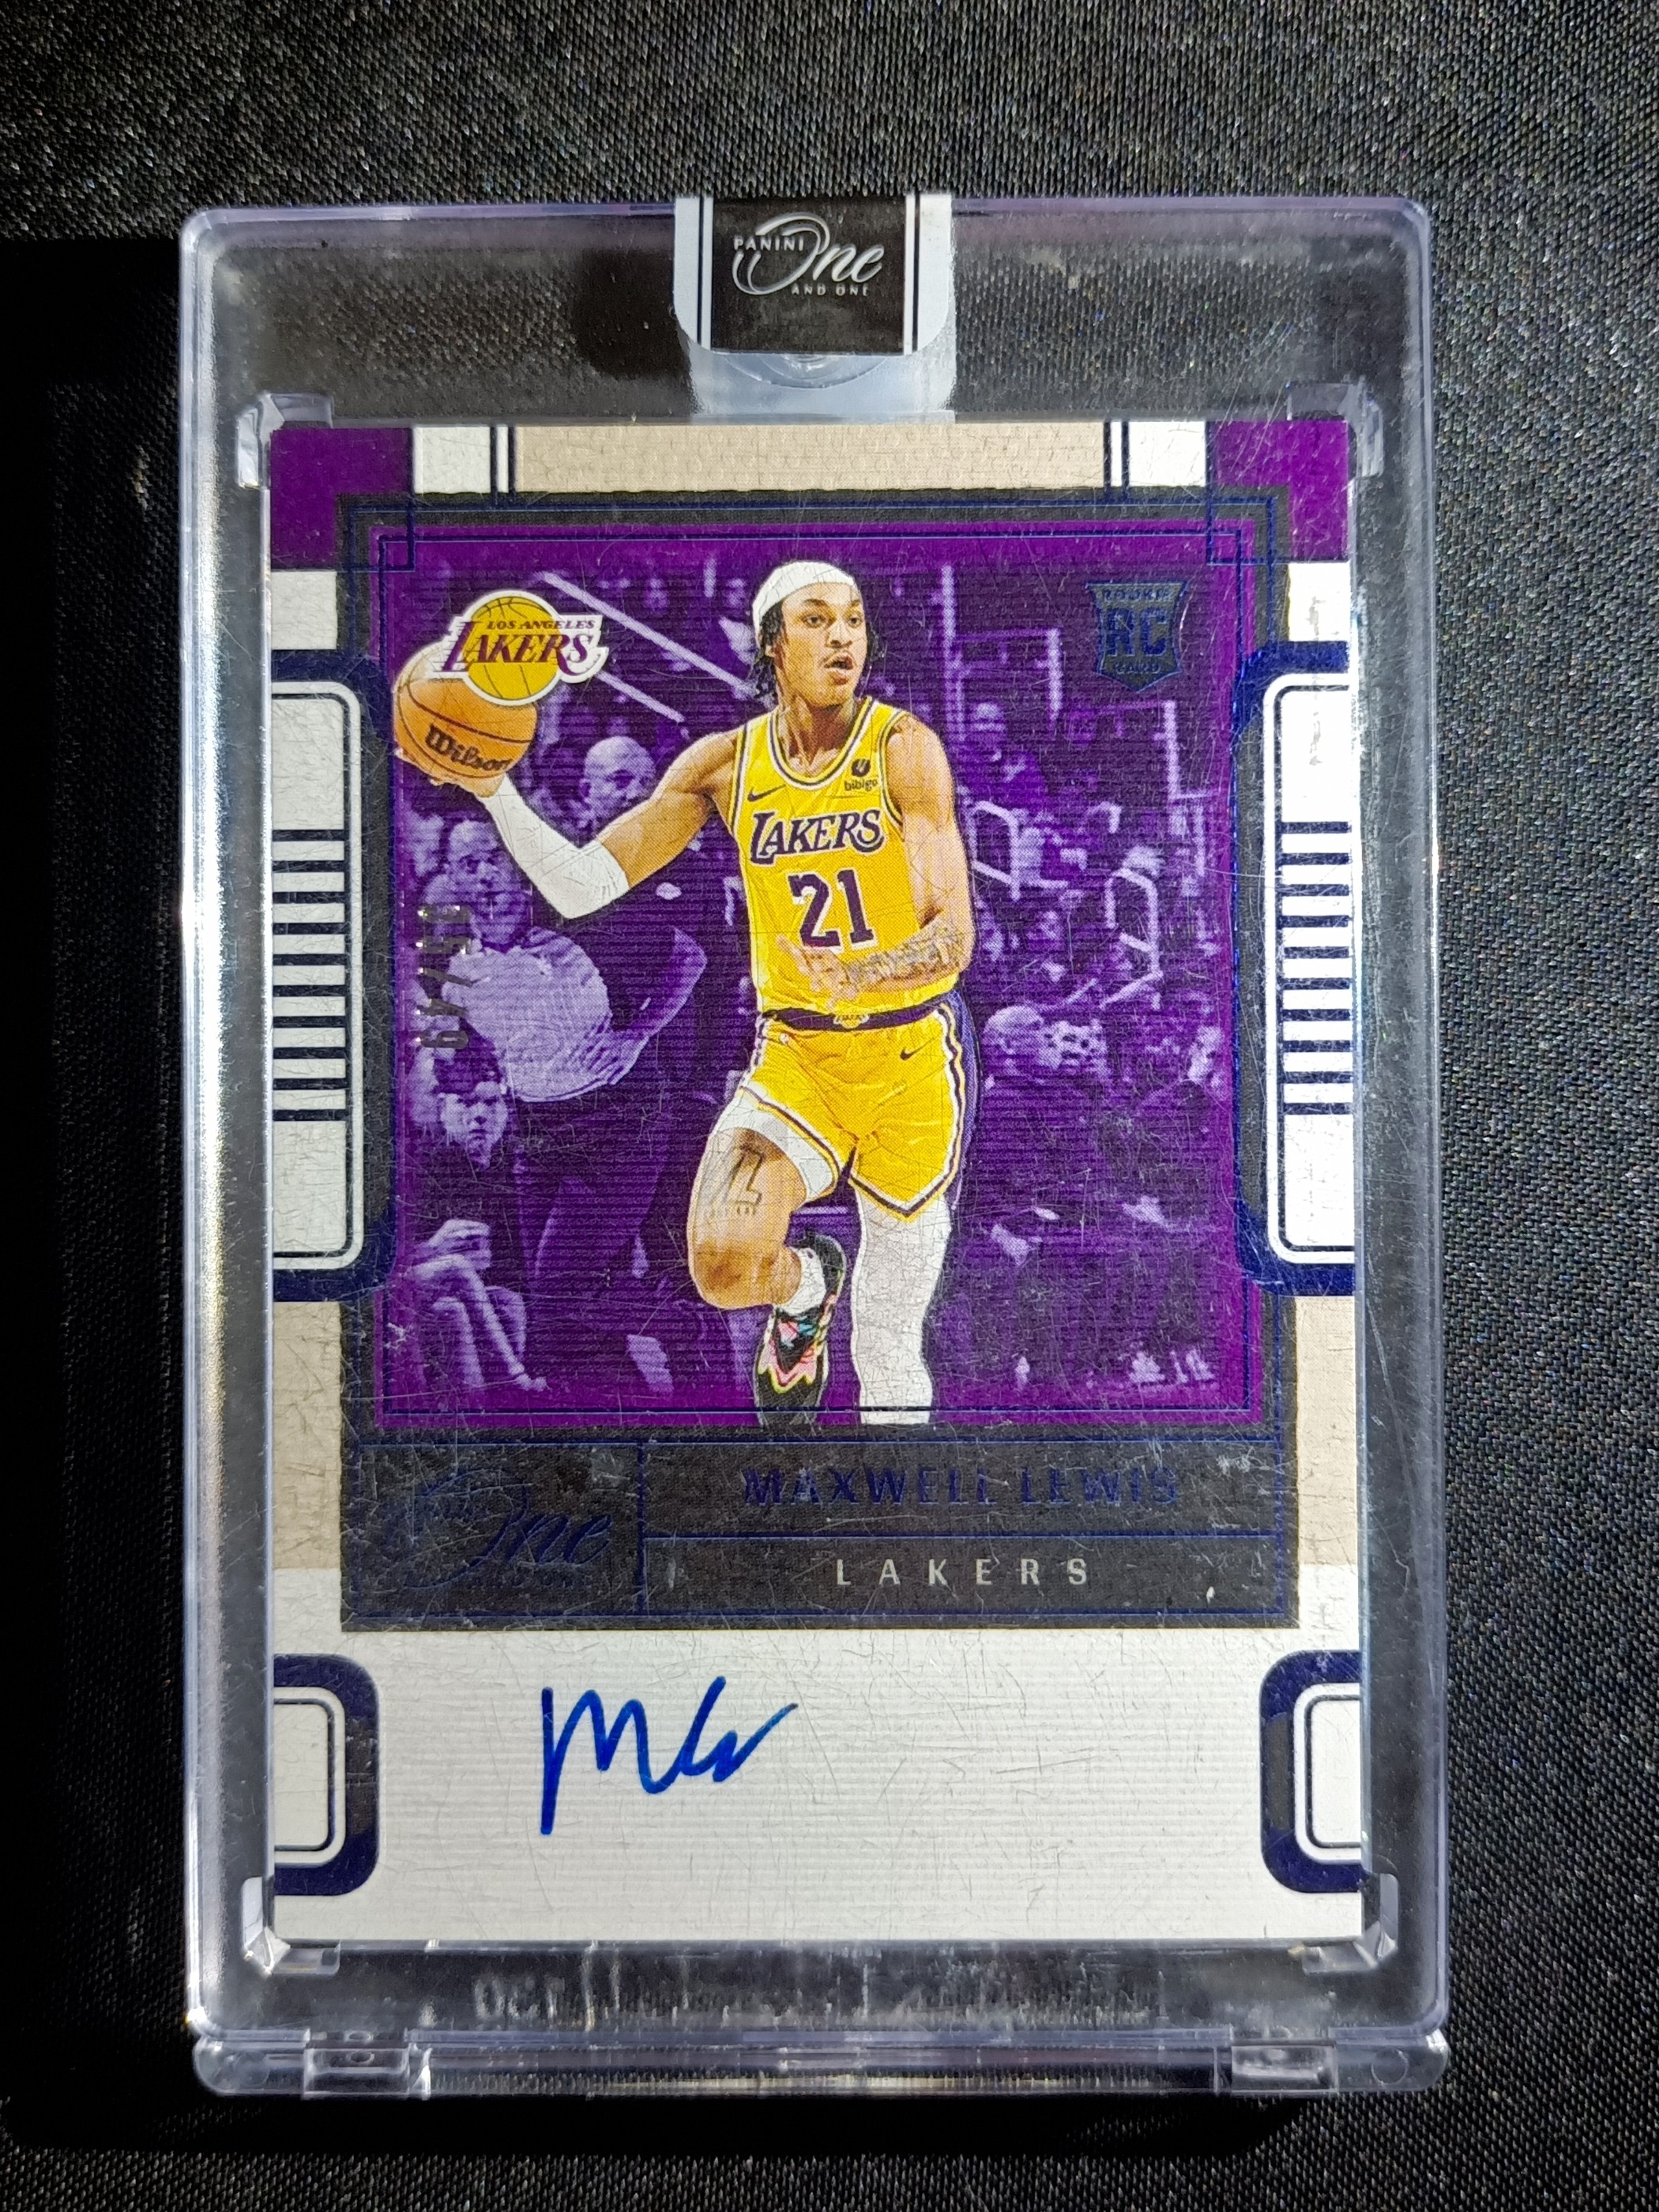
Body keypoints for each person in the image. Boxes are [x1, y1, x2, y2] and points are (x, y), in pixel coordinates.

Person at [457, 561, 977, 1426]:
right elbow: (581, 882)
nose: (843, 636)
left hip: (907, 1051)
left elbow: (953, 936)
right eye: (817, 619)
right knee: (722, 1268)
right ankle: (806, 1283)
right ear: (773, 643)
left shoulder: (902, 748)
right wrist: (494, 790)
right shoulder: (722, 765)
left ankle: (889, 1476)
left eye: (853, 619)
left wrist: (864, 972)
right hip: (796, 1056)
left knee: (888, 1346)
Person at [431, 815, 707, 1378]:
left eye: (494, 859)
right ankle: (605, 1401)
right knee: (549, 1303)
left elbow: (688, 957)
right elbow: (455, 1052)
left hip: (620, 1123)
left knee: (560, 1290)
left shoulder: (579, 917)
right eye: (468, 865)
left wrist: (638, 1034)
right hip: (536, 1133)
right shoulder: (450, 959)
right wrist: (461, 1062)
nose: (484, 876)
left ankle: (684, 1323)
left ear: (517, 864)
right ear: (452, 878)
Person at [401, 1035, 540, 1396]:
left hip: (463, 1291)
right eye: (465, 1102)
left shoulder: (513, 1170)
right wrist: (433, 1247)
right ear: (442, 1108)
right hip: (409, 1288)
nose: (480, 1115)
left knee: (508, 1303)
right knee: (454, 1296)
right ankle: (513, 1382)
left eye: (492, 1103)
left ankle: (505, 1410)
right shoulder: (417, 1167)